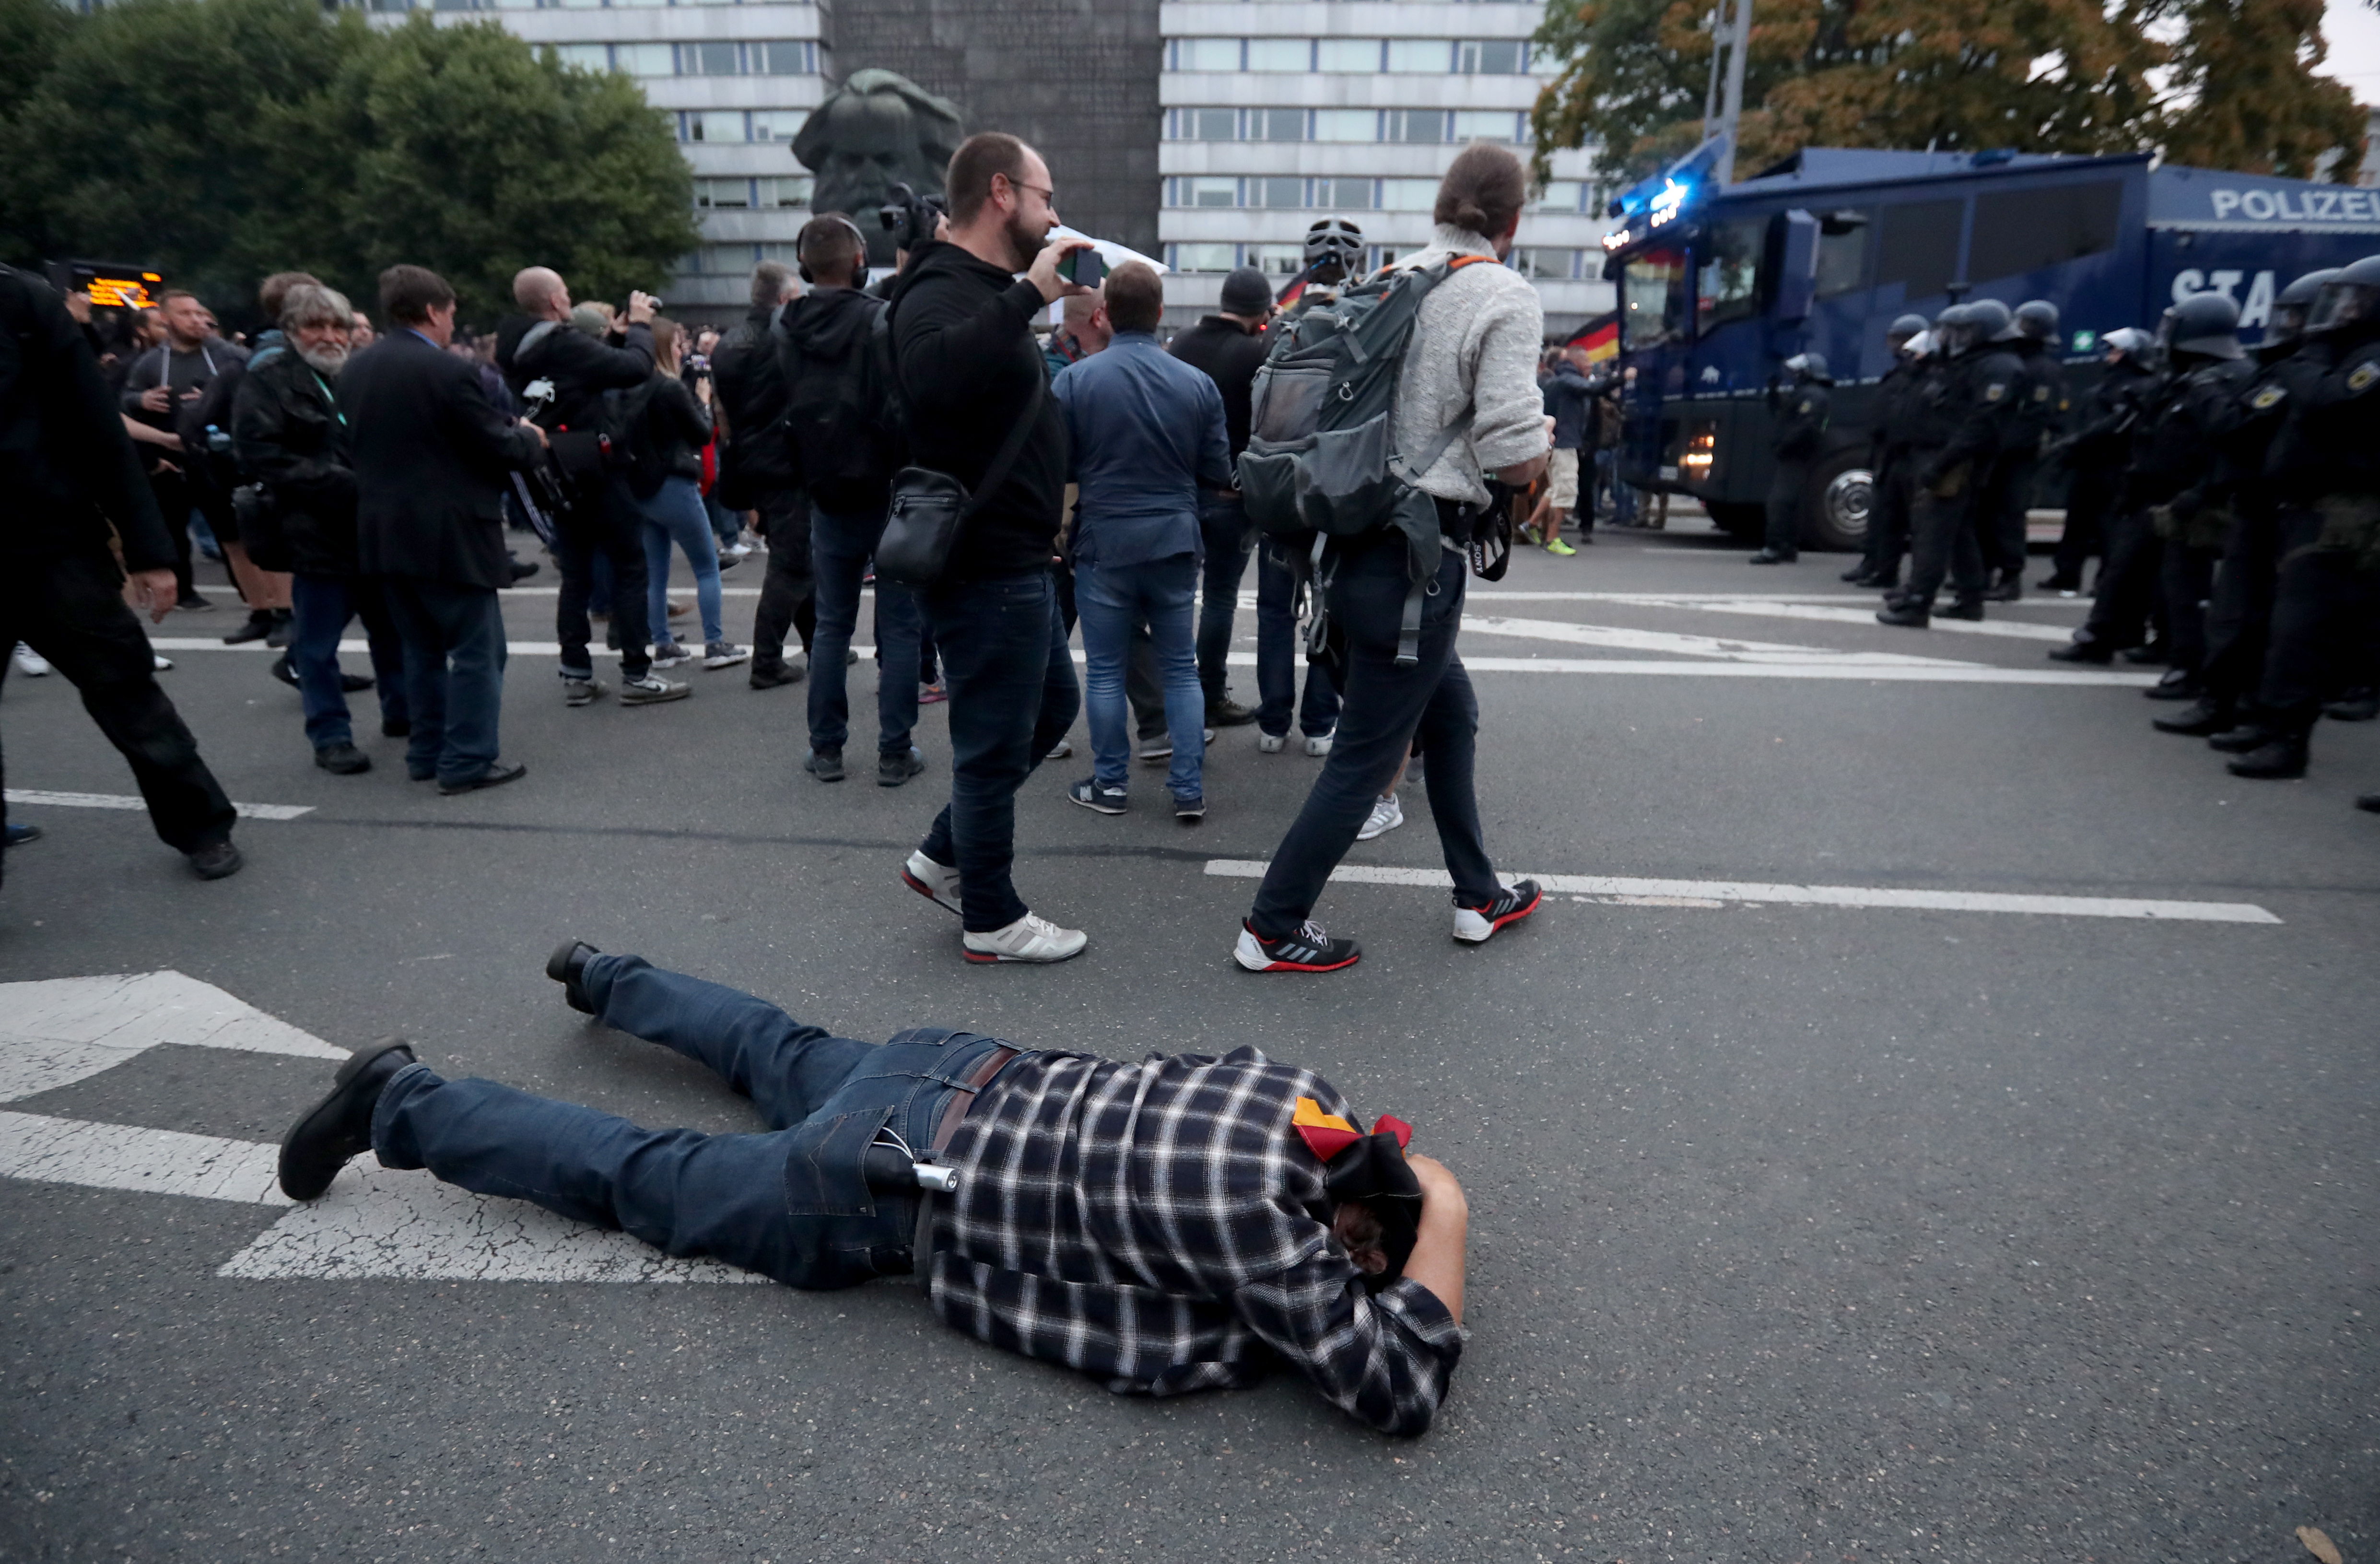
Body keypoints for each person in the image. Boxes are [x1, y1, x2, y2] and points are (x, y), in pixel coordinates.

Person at [274, 941, 1469, 1436]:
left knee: (774, 1044)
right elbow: (1394, 1381)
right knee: (652, 1176)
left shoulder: (1296, 1089)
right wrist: (1449, 1215)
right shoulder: (1266, 1233)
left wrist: (1414, 1181)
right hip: (885, 1184)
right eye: (1371, 1245)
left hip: (950, 1069)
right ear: (1354, 1212)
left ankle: (607, 974)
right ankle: (402, 1103)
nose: (1362, 1268)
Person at [1234, 143, 1549, 974]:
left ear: (1441, 208)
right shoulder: (1501, 296)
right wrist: (1541, 452)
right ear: (1511, 222)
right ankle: (1270, 926)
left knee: (1451, 714)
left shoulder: (1385, 280)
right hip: (1416, 563)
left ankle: (1477, 895)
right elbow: (1513, 451)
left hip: (1351, 547)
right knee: (1363, 759)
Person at [885, 132, 1091, 964]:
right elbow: (933, 376)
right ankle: (992, 917)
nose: (1053, 216)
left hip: (1016, 554)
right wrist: (1027, 298)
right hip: (983, 561)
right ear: (1002, 192)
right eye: (1046, 198)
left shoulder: (981, 287)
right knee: (991, 741)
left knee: (1048, 709)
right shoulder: (936, 288)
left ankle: (942, 855)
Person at [0, 263, 241, 884]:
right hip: (47, 536)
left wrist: (149, 551)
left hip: (48, 544)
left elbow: (94, 424)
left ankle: (202, 827)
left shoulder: (20, 302)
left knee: (129, 694)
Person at [340, 264, 547, 795]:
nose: (454, 325)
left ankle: (428, 752)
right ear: (433, 310)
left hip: (384, 530)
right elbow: (492, 444)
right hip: (450, 532)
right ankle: (468, 759)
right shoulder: (447, 371)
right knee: (478, 651)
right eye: (451, 313)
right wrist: (527, 438)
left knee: (421, 649)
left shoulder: (356, 368)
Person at [1054, 261, 1232, 822]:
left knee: (1105, 670)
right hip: (1175, 539)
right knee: (1180, 667)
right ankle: (1188, 790)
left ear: (1104, 315)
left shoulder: (1076, 381)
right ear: (1159, 314)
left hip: (1104, 541)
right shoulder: (1196, 383)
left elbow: (1056, 467)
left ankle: (1110, 785)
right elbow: (1217, 472)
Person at [231, 283, 410, 775]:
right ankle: (330, 735)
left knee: (391, 631)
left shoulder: (360, 372)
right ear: (291, 331)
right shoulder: (269, 379)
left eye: (338, 326)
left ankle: (402, 712)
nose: (330, 335)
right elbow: (262, 454)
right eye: (316, 326)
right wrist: (348, 485)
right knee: (317, 646)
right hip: (316, 531)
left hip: (375, 529)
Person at [2156, 270, 2339, 741]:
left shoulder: (2308, 371)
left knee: (2268, 618)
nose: (2292, 325)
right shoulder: (2287, 367)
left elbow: (2233, 427)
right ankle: (2227, 702)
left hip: (2288, 505)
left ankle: (2253, 712)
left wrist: (2207, 390)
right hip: (2260, 500)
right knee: (2238, 611)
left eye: (2299, 316)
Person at [775, 214, 925, 788]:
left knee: (833, 624)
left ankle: (828, 748)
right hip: (886, 491)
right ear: (860, 263)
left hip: (825, 493)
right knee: (900, 625)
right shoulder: (881, 322)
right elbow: (902, 407)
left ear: (803, 265)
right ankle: (895, 750)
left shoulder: (785, 325)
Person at [2219, 255, 2380, 784]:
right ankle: (2274, 728)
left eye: (2356, 301)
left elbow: (2328, 401)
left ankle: (2288, 742)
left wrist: (2298, 361)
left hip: (2346, 510)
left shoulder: (2365, 357)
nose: (2343, 312)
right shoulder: (2339, 352)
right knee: (2289, 626)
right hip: (2308, 505)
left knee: (2303, 630)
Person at [494, 267, 686, 709]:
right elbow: (635, 369)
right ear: (556, 302)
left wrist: (613, 338)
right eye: (564, 293)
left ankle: (576, 671)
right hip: (597, 464)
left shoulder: (520, 349)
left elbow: (583, 374)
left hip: (556, 467)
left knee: (576, 573)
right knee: (629, 565)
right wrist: (639, 325)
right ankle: (637, 672)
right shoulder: (560, 343)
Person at [2047, 295, 2250, 667]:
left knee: (2181, 584)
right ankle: (2101, 637)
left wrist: (2203, 490)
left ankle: (2181, 655)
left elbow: (2230, 443)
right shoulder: (2175, 380)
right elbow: (2140, 431)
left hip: (2188, 496)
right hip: (2151, 492)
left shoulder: (2227, 379)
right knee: (2122, 570)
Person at [1166, 264, 1275, 722]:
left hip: (1178, 491)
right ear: (1260, 312)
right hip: (1232, 495)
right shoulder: (1255, 353)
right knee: (1219, 599)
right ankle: (1210, 695)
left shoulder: (1181, 344)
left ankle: (1173, 694)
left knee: (1174, 597)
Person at [1876, 302, 2019, 629]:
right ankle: (1969, 598)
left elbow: (1980, 423)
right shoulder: (1973, 363)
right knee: (1958, 533)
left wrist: (1942, 463)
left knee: (1933, 532)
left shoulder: (1998, 366)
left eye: (1966, 331)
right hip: (1945, 455)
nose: (1958, 338)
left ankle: (1918, 602)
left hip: (1954, 460)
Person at [712, 260, 818, 689]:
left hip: (750, 458)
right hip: (785, 460)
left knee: (796, 556)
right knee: (791, 562)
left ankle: (817, 644)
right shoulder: (783, 340)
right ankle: (767, 662)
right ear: (782, 298)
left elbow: (723, 411)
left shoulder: (728, 343)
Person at [122, 288, 248, 611]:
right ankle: (184, 592)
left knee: (232, 533)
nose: (197, 320)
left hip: (217, 456)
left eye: (199, 313)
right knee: (172, 530)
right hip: (170, 454)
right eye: (186, 314)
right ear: (165, 319)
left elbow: (255, 395)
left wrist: (214, 399)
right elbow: (125, 400)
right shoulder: (151, 361)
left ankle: (255, 596)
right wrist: (142, 400)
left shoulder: (228, 355)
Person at [633, 319, 748, 673]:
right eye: (678, 342)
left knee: (656, 573)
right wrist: (702, 402)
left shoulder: (630, 386)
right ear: (666, 347)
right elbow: (700, 432)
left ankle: (663, 644)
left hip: (642, 487)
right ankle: (714, 644)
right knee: (706, 566)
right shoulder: (669, 388)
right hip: (674, 482)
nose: (683, 348)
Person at [2038, 327, 2155, 596]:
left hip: (2115, 465)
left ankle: (2106, 580)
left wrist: (2073, 444)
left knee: (2109, 527)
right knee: (2077, 523)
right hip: (2088, 463)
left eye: (2117, 352)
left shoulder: (2141, 388)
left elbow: (2113, 427)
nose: (2110, 357)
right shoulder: (2107, 385)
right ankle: (2067, 574)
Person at [1979, 300, 2067, 602]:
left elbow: (2036, 416)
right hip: (2000, 449)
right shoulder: (2016, 360)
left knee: (2010, 515)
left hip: (2018, 454)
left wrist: (2006, 445)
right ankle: (1985, 572)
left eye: (2028, 324)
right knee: (1989, 513)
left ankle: (2010, 577)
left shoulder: (2043, 369)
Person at [1844, 316, 1928, 588]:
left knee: (1910, 519)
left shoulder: (1921, 374)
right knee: (1883, 513)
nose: (1893, 345)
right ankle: (1876, 566)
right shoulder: (1902, 373)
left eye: (1898, 339)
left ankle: (1903, 576)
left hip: (1907, 453)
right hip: (1888, 452)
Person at [1749, 352, 1830, 564]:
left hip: (1798, 455)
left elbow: (1807, 426)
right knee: (1791, 503)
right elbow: (1784, 415)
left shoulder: (1813, 396)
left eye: (1798, 372)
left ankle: (1775, 547)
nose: (1794, 375)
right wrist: (1773, 393)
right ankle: (1787, 547)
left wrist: (1786, 445)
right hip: (1796, 454)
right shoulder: (1805, 393)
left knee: (1780, 503)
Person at [1528, 346, 1591, 555]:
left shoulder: (1551, 382)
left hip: (1554, 442)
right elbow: (1596, 389)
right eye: (1587, 362)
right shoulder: (1567, 383)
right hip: (1565, 444)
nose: (1591, 366)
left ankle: (1532, 524)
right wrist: (1621, 379)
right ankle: (1552, 539)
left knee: (1555, 488)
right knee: (1564, 492)